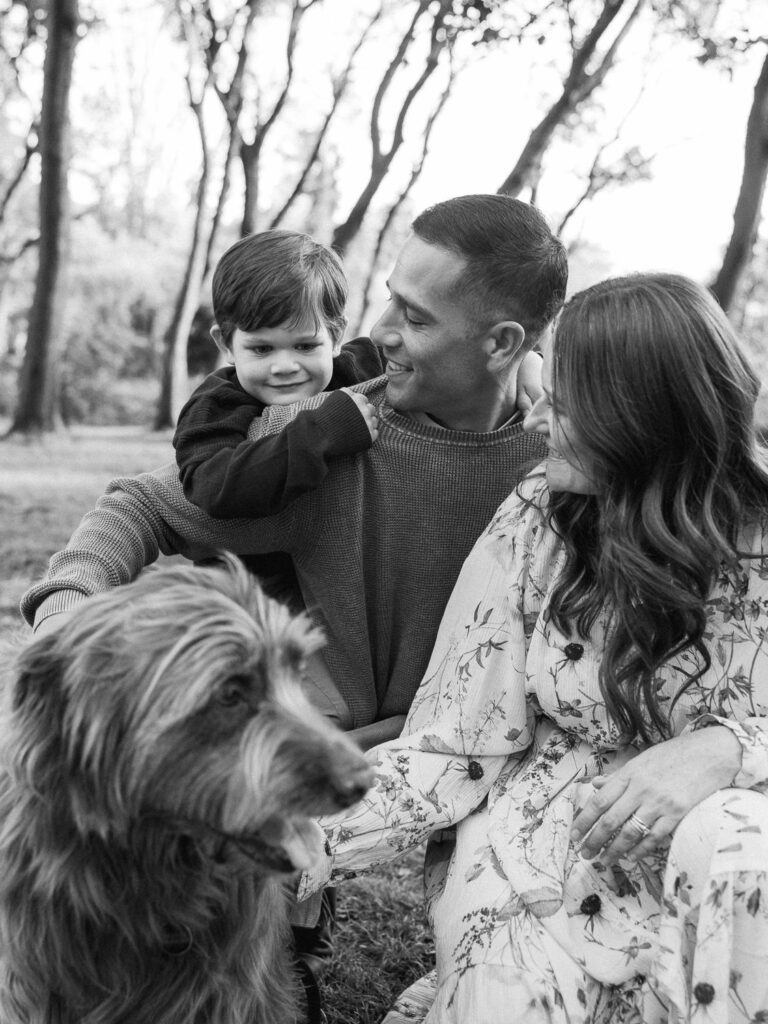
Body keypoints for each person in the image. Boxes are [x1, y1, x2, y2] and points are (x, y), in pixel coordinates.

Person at [298, 273, 768, 1024]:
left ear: (645, 417)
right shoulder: (537, 520)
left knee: (741, 836)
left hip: (728, 871)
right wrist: (295, 825)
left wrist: (728, 750)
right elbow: (457, 741)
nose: (539, 414)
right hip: (543, 844)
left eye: (568, 403)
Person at [21, 194, 567, 746]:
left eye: (416, 317)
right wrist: (66, 612)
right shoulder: (327, 434)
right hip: (338, 753)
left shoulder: (573, 457)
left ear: (503, 344)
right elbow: (142, 507)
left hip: (514, 758)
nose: (378, 331)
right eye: (389, 301)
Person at [173, 229, 382, 523]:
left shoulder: (363, 368)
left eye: (305, 346)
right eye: (261, 349)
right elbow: (212, 486)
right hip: (247, 567)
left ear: (335, 337)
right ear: (226, 344)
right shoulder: (215, 404)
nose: (284, 366)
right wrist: (321, 433)